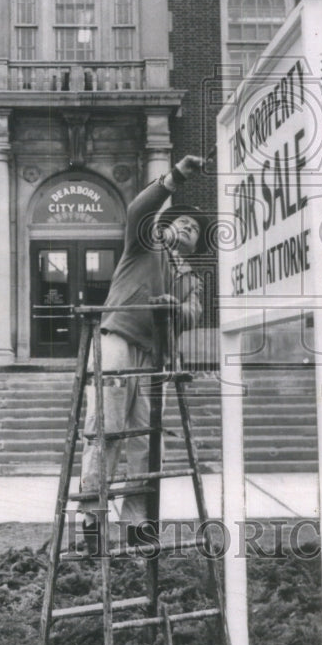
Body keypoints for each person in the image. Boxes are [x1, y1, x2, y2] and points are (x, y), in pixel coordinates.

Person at [78, 154, 209, 553]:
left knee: (147, 443)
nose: (186, 226)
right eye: (181, 221)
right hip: (117, 339)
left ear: (196, 245)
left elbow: (193, 315)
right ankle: (92, 519)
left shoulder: (189, 277)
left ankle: (137, 525)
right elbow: (138, 208)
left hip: (156, 360)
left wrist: (174, 307)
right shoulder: (143, 243)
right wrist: (174, 179)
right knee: (108, 428)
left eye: (193, 228)